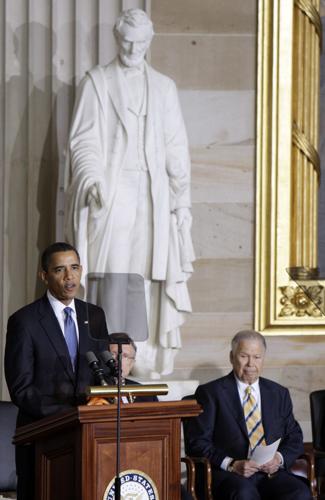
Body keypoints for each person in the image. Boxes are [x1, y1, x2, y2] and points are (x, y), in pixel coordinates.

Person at [64, 8, 195, 379]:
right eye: (126, 40)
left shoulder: (163, 87)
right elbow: (83, 140)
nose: (133, 48)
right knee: (113, 273)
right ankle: (107, 356)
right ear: (116, 38)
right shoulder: (98, 82)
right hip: (113, 189)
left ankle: (144, 357)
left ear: (149, 41)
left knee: (147, 274)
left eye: (140, 41)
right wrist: (92, 179)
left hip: (153, 194)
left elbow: (176, 149)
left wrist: (182, 202)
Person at [4, 242, 108, 500]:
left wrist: (102, 400)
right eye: (60, 270)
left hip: (89, 438)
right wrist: (71, 415)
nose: (69, 276)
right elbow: (21, 388)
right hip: (43, 437)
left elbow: (102, 372)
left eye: (74, 268)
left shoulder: (93, 315)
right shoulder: (24, 321)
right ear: (44, 275)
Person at [185, 330, 312, 500]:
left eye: (257, 357)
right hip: (230, 474)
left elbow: (294, 437)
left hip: (269, 473)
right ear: (232, 357)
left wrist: (278, 459)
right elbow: (197, 442)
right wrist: (231, 464)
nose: (251, 364)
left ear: (263, 359)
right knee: (244, 494)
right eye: (244, 356)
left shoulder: (278, 393)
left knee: (299, 493)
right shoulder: (210, 393)